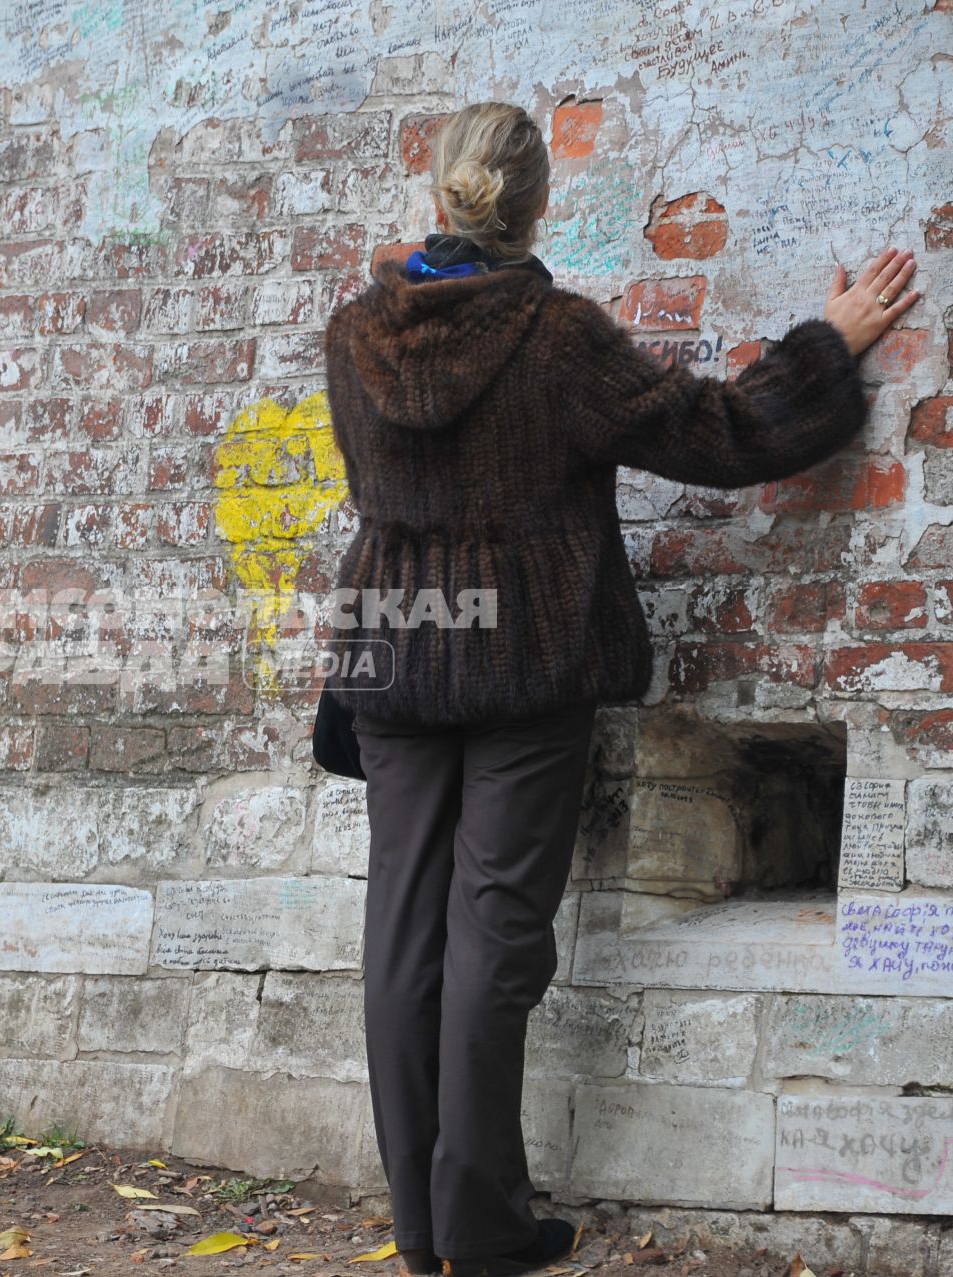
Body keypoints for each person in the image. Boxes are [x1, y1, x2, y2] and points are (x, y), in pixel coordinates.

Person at [317, 101, 920, 1277]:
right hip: (519, 660)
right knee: (493, 937)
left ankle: (422, 1228)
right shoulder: (557, 337)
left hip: (398, 644)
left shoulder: (356, 334)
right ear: (539, 203)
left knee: (400, 935)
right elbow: (720, 432)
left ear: (436, 199)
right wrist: (826, 345)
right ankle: (485, 1231)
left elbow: (369, 481)